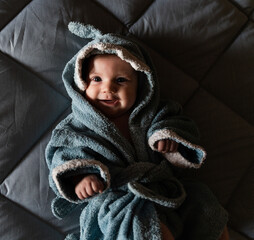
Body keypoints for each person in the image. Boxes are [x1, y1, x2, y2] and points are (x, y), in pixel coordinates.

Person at [46, 22, 228, 240]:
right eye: (97, 79)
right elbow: (64, 158)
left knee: (203, 203)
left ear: (141, 86)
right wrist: (81, 179)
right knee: (144, 226)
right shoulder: (76, 128)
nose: (108, 88)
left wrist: (169, 139)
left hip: (163, 189)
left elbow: (181, 126)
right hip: (117, 199)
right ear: (81, 83)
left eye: (121, 80)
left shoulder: (153, 113)